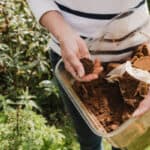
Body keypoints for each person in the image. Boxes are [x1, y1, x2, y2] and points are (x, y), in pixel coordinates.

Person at [27, 0, 150, 150]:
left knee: (126, 142)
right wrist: (63, 33)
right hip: (73, 62)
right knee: (88, 141)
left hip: (138, 57)